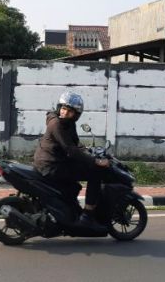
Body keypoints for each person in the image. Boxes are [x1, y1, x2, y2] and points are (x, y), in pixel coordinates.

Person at [33, 91, 110, 230]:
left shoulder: (68, 123)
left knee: (74, 186)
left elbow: (75, 143)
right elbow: (71, 150)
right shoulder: (56, 124)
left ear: (76, 114)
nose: (65, 113)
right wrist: (95, 162)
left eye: (69, 111)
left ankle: (69, 210)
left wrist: (86, 150)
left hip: (53, 161)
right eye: (63, 109)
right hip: (51, 165)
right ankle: (87, 216)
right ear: (59, 108)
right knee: (95, 173)